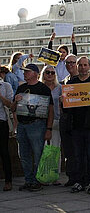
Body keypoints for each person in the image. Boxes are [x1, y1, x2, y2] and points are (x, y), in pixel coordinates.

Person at [11, 64, 54, 192]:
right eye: (24, 72)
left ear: (35, 73)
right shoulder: (21, 88)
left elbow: (50, 110)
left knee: (37, 153)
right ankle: (28, 180)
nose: (24, 74)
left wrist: (49, 128)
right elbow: (12, 109)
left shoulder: (43, 89)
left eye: (27, 71)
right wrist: (15, 101)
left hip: (37, 125)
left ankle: (36, 180)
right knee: (24, 154)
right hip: (22, 125)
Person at [65, 56, 90, 195]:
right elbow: (67, 108)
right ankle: (79, 181)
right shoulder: (72, 82)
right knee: (77, 155)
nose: (82, 67)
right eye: (80, 65)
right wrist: (64, 101)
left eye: (85, 65)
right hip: (76, 125)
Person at [39, 65, 62, 185]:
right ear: (43, 74)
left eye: (52, 73)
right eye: (47, 72)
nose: (50, 75)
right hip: (42, 121)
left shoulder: (60, 88)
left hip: (57, 121)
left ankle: (55, 175)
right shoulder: (40, 88)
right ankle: (43, 174)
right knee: (43, 149)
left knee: (55, 149)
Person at [59, 54, 78, 186]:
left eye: (72, 62)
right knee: (68, 151)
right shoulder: (65, 80)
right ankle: (71, 177)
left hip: (78, 121)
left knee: (78, 151)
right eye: (68, 63)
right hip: (66, 120)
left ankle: (79, 177)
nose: (70, 65)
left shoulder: (83, 80)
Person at [0, 76, 13, 191]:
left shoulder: (6, 86)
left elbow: (11, 105)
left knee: (4, 151)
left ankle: (8, 180)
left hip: (1, 122)